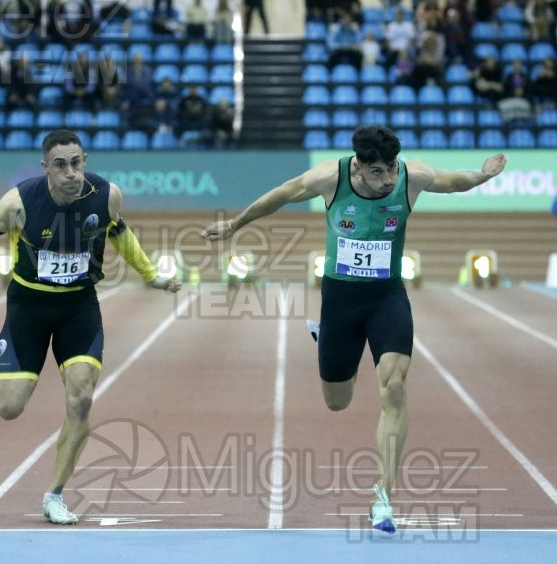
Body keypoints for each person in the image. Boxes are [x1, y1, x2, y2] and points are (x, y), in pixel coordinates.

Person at [201, 125, 507, 534]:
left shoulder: (411, 178)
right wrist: (235, 225)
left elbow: (455, 183)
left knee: (394, 387)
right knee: (337, 400)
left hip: (387, 298)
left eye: (393, 170)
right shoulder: (331, 177)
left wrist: (483, 174)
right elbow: (281, 194)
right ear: (359, 167)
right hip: (341, 302)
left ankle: (383, 498)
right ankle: (324, 336)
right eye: (379, 172)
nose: (389, 180)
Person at [0, 129, 181, 524]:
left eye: (77, 163)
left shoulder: (106, 195)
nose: (71, 172)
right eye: (60, 165)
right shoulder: (17, 203)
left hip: (78, 307)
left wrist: (150, 274)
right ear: (46, 168)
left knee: (81, 399)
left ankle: (54, 494)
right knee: (9, 407)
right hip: (28, 307)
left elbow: (119, 232)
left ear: (84, 161)